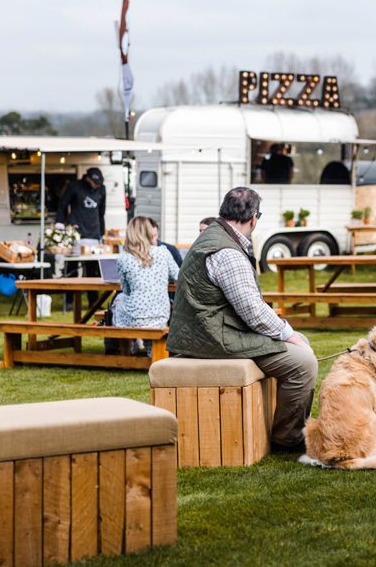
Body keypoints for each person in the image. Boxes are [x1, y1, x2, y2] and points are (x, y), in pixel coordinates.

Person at [167, 187, 317, 452]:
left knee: (299, 343)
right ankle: (288, 438)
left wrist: (288, 334)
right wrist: (289, 334)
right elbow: (253, 312)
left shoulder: (215, 236)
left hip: (206, 330)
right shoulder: (228, 252)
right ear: (254, 219)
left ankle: (289, 428)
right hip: (212, 338)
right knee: (303, 362)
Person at [108, 217, 179, 356]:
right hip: (159, 314)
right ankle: (149, 350)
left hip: (134, 316)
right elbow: (179, 276)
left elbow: (126, 290)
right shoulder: (163, 252)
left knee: (119, 300)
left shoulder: (124, 259)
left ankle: (125, 355)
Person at [55, 167, 107, 306]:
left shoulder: (101, 190)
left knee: (92, 270)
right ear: (87, 179)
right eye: (95, 183)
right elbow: (63, 205)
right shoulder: (74, 187)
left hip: (94, 234)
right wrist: (60, 225)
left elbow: (101, 213)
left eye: (99, 184)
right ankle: (70, 300)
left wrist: (101, 232)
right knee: (72, 267)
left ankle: (94, 301)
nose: (97, 186)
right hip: (77, 233)